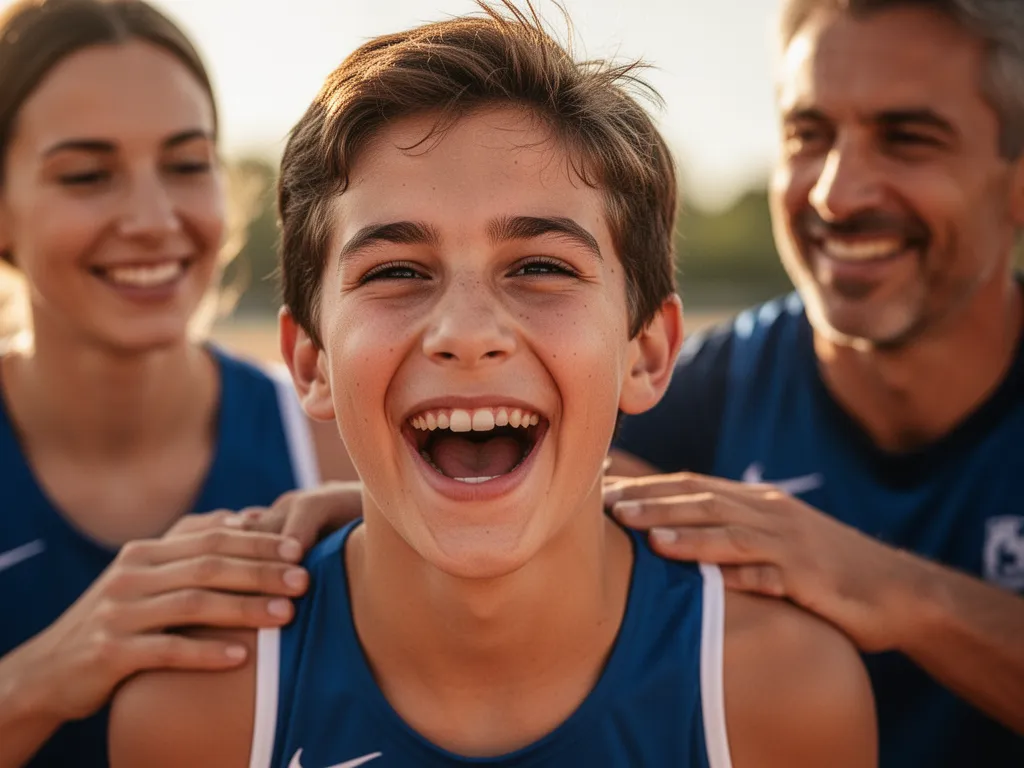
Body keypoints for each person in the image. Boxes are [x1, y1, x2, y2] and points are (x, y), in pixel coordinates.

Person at [107, 4, 877, 767]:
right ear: (311, 362)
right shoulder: (202, 704)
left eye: (540, 267)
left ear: (646, 351)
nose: (468, 333)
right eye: (396, 272)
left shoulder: (778, 690)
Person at [604, 0, 1024, 766]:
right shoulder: (697, 399)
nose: (838, 192)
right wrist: (379, 528)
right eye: (809, 135)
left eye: (907, 140)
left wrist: (893, 592)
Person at [0, 1, 357, 766]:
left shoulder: (338, 445)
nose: (154, 217)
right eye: (88, 174)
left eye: (188, 164)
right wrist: (40, 679)